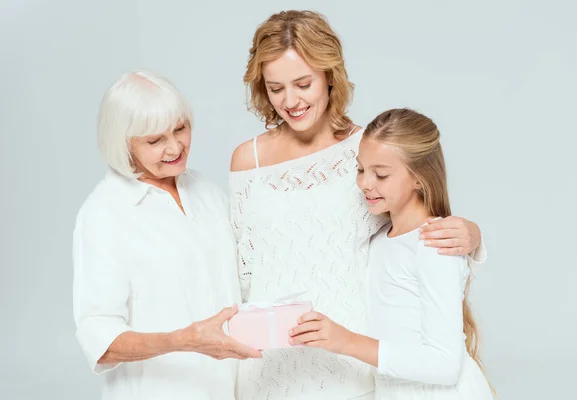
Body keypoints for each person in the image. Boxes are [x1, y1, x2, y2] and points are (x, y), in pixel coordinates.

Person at [229, 10, 486, 400]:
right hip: (272, 362)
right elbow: (240, 268)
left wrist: (473, 235)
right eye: (276, 87)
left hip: (354, 362)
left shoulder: (366, 149)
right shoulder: (248, 161)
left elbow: (414, 220)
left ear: (329, 76)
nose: (291, 100)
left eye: (303, 84)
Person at [72, 69, 260, 400]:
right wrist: (182, 340)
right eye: (155, 140)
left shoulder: (206, 192)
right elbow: (98, 336)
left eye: (180, 129)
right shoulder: (104, 213)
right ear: (123, 143)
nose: (175, 147)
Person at [290, 108, 494, 399]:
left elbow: (444, 365)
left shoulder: (435, 243)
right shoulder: (378, 241)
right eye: (360, 169)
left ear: (419, 179)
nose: (364, 183)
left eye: (381, 174)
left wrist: (345, 341)